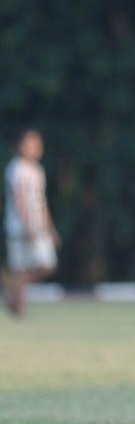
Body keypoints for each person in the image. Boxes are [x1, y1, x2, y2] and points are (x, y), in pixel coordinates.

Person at [3, 129, 60, 318]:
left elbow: (41, 203)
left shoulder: (37, 170)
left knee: (47, 266)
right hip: (19, 228)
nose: (35, 148)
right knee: (20, 268)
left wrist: (50, 228)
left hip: (38, 227)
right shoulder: (16, 168)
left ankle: (13, 288)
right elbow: (19, 200)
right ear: (21, 146)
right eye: (30, 144)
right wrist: (28, 226)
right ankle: (18, 308)